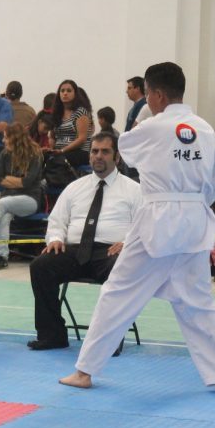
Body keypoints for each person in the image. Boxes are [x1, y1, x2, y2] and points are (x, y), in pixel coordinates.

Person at [59, 62, 215, 395]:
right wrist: (190, 203)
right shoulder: (205, 129)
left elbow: (127, 151)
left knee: (118, 293)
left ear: (157, 94)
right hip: (195, 219)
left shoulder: (151, 126)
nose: (146, 99)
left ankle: (84, 371)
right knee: (198, 302)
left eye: (147, 93)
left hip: (158, 217)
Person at [28, 132, 142, 350]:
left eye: (105, 151)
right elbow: (57, 220)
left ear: (117, 157)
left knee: (119, 266)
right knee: (41, 266)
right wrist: (55, 238)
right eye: (94, 151)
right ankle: (52, 335)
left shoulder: (134, 190)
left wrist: (128, 243)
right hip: (75, 250)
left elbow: (145, 226)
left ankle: (109, 340)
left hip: (110, 253)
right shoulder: (74, 188)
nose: (98, 156)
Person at [0, 123, 44, 270]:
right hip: (10, 199)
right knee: (4, 217)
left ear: (15, 138)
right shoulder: (4, 154)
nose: (3, 141)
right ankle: (2, 256)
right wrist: (18, 182)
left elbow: (27, 182)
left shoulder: (35, 154)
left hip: (30, 199)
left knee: (2, 203)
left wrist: (10, 180)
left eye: (6, 137)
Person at [49, 79, 93, 167]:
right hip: (59, 152)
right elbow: (52, 136)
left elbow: (82, 138)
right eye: (62, 91)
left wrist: (62, 150)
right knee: (41, 158)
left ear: (75, 94)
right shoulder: (57, 113)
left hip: (79, 152)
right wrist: (51, 149)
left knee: (56, 162)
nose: (65, 93)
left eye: (69, 91)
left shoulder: (80, 112)